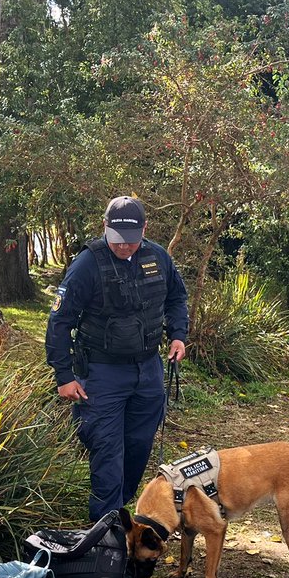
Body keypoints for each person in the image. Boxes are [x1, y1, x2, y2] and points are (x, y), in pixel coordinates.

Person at [45, 196, 189, 522]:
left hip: (148, 370)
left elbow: (177, 297)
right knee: (108, 450)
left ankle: (119, 514)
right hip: (102, 372)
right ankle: (105, 530)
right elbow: (59, 322)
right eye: (117, 239)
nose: (124, 246)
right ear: (105, 227)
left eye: (131, 240)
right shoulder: (87, 265)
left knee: (138, 446)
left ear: (145, 229)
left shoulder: (158, 257)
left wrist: (178, 334)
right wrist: (64, 376)